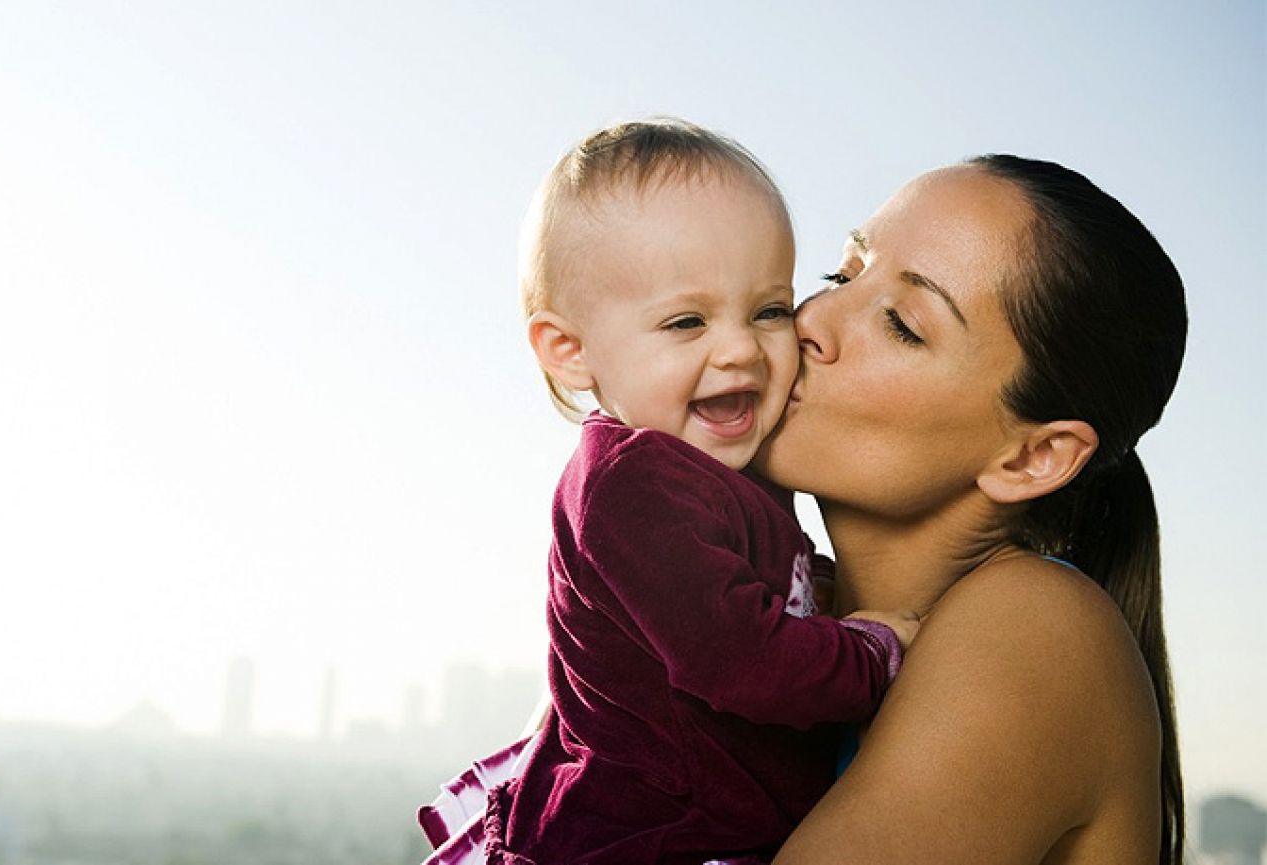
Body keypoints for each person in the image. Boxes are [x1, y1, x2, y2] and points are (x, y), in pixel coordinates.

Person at [419, 119, 919, 865]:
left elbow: (750, 595)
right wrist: (871, 650)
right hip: (641, 839)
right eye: (686, 321)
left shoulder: (716, 469)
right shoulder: (634, 482)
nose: (741, 347)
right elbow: (739, 657)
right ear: (570, 350)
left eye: (768, 310)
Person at [760, 155, 1186, 864]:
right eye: (843, 273)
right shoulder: (770, 623)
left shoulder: (1036, 627)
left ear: (1032, 456)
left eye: (900, 323)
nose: (809, 321)